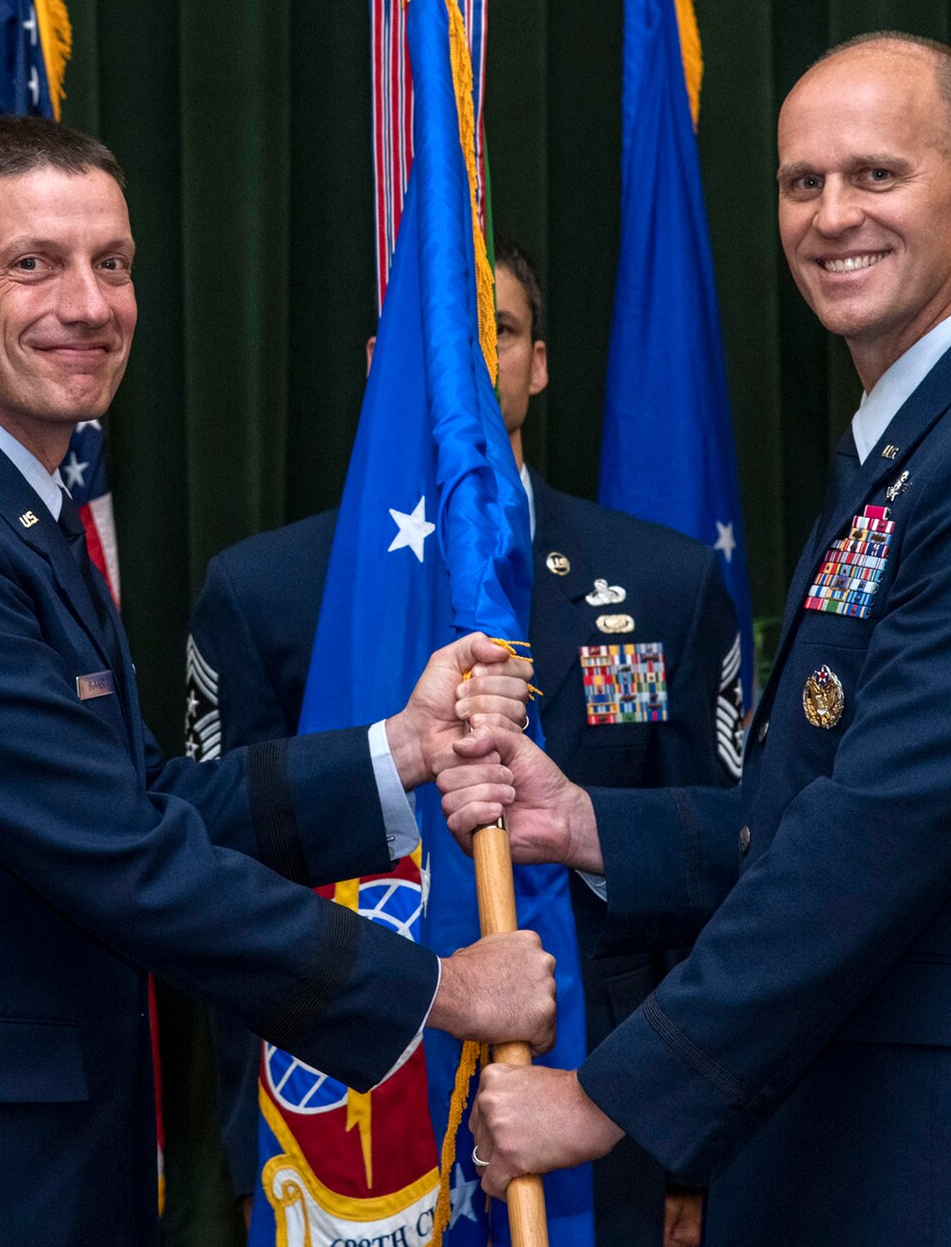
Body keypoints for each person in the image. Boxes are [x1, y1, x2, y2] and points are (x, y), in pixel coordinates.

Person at [0, 116, 557, 1246]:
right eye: (33, 264)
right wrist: (442, 991)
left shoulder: (9, 506)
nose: (91, 303)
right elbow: (121, 857)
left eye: (110, 263)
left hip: (37, 1165)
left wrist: (398, 751)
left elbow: (142, 798)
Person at [441, 33, 951, 1245]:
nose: (831, 216)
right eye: (802, 183)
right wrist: (587, 824)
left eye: (876, 175)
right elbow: (816, 794)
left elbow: (876, 832)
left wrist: (605, 1095)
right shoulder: (910, 441)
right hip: (868, 1136)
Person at [186, 235, 743, 1246]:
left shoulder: (662, 584)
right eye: (436, 335)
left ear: (537, 364)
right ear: (380, 367)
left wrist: (690, 1145)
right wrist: (243, 1141)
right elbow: (219, 874)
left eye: (498, 328)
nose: (468, 355)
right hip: (350, 1121)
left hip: (602, 1115)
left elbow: (728, 853)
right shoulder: (264, 592)